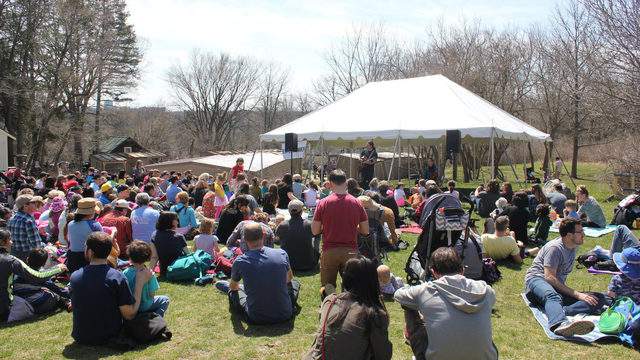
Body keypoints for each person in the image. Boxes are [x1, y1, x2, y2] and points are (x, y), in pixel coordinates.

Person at [395, 247, 497, 360]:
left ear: (433, 272)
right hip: (485, 356)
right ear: (462, 270)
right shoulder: (486, 291)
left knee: (408, 306)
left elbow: (398, 295)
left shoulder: (425, 291)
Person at [524, 218, 606, 337]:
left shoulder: (573, 246)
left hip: (555, 289)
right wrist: (577, 294)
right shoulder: (555, 248)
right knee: (553, 296)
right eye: (580, 232)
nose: (583, 234)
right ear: (569, 235)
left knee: (597, 298)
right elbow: (549, 277)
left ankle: (558, 310)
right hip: (537, 281)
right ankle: (559, 324)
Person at [70, 231, 151, 345]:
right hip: (109, 334)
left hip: (81, 336)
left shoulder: (75, 277)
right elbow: (130, 314)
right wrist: (140, 284)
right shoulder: (116, 277)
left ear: (90, 252)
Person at [304, 256, 392, 360]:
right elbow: (383, 355)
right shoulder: (374, 314)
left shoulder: (329, 301)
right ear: (374, 281)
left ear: (345, 279)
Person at [216, 222, 300, 325]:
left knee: (233, 291)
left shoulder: (240, 261)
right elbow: (289, 278)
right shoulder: (281, 253)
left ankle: (237, 287)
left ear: (244, 239)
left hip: (256, 316)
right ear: (264, 235)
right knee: (294, 283)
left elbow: (233, 287)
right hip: (285, 314)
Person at [312, 169, 368, 297]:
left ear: (330, 183)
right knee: (351, 287)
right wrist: (353, 227)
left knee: (328, 287)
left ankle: (329, 309)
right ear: (345, 182)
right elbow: (365, 230)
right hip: (351, 250)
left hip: (329, 250)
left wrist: (327, 228)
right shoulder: (357, 202)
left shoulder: (323, 203)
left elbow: (315, 230)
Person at [0, 229, 66, 323]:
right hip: (4, 307)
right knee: (28, 308)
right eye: (10, 239)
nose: (12, 242)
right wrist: (58, 268)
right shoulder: (10, 260)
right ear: (3, 242)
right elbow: (37, 276)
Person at [123, 241, 170, 317]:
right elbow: (152, 294)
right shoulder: (149, 273)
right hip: (145, 306)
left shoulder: (125, 272)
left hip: (131, 306)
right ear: (147, 257)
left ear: (130, 257)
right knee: (165, 299)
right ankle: (157, 316)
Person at [277, 200, 317, 272]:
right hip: (308, 264)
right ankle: (315, 258)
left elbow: (277, 239)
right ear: (301, 211)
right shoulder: (309, 224)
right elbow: (316, 234)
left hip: (288, 265)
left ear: (289, 211)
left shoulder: (282, 225)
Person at [67, 198, 103, 273]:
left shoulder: (70, 224)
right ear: (91, 212)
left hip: (72, 259)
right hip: (88, 259)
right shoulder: (95, 225)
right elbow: (103, 242)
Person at [149, 212, 189, 277]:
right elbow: (187, 255)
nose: (178, 222)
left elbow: (154, 257)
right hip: (179, 270)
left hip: (164, 271)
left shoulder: (154, 235)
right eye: (176, 220)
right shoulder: (179, 237)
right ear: (172, 222)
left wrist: (149, 273)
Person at [7, 194, 43, 261]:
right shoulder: (28, 221)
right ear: (25, 206)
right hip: (27, 255)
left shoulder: (12, 218)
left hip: (14, 253)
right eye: (34, 203)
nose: (36, 204)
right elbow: (36, 243)